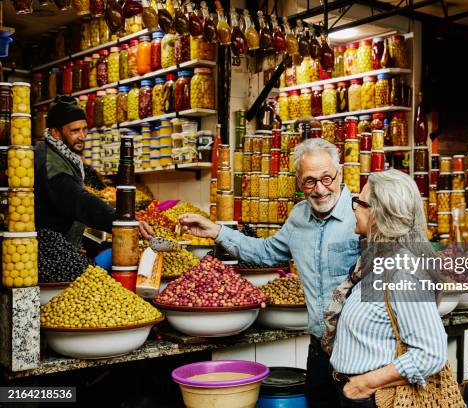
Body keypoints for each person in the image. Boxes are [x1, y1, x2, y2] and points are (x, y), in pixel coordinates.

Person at [179, 138, 360, 408]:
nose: (320, 189)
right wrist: (215, 231)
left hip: (360, 350)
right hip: (320, 348)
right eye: (310, 181)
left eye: (327, 178)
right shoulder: (298, 217)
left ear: (340, 173)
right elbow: (266, 252)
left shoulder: (364, 213)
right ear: (299, 182)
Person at [324, 170, 447, 408]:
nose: (353, 208)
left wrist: (363, 385)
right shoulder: (374, 262)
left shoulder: (402, 271)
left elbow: (431, 352)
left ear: (378, 213)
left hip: (376, 399)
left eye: (359, 202)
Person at [35, 95, 152, 248]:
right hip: (48, 249)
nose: (82, 136)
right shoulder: (50, 161)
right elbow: (78, 200)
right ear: (55, 133)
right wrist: (120, 221)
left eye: (85, 129)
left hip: (60, 244)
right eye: (75, 131)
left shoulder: (60, 153)